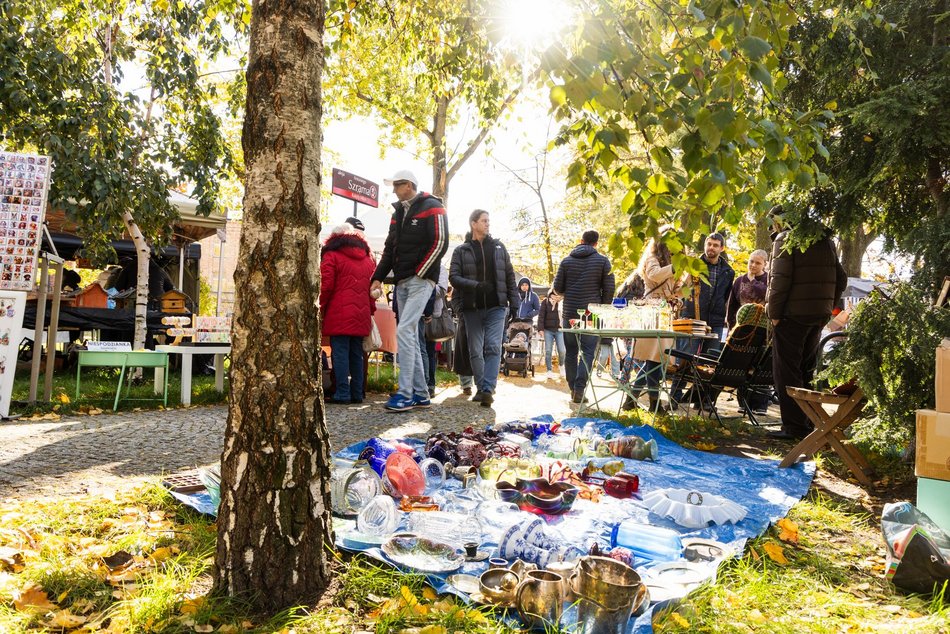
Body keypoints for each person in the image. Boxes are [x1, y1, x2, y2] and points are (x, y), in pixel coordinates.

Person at [766, 205, 847, 440]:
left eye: (774, 222)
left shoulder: (785, 239)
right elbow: (841, 279)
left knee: (786, 372)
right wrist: (827, 307)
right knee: (806, 369)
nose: (773, 227)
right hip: (817, 315)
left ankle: (794, 427)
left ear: (780, 220)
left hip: (791, 315)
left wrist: (774, 314)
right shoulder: (825, 240)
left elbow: (778, 281)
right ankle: (807, 423)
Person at [371, 170, 449, 412]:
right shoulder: (398, 213)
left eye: (397, 185)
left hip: (420, 280)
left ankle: (405, 394)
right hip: (402, 281)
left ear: (408, 185)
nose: (394, 190)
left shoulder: (433, 206)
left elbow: (441, 242)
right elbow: (389, 248)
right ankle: (421, 394)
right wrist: (377, 278)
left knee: (405, 331)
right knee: (411, 335)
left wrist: (421, 273)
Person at [449, 210, 519, 407]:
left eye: (488, 221)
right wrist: (476, 286)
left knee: (493, 346)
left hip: (497, 307)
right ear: (473, 224)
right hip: (472, 308)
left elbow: (510, 276)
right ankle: (481, 387)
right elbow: (453, 277)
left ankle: (488, 389)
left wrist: (514, 303)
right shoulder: (461, 251)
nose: (488, 224)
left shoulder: (499, 248)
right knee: (475, 350)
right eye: (484, 221)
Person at [553, 230, 616, 404]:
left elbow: (558, 288)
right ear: (596, 243)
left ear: (581, 241)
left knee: (571, 351)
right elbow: (610, 287)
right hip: (591, 314)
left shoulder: (566, 261)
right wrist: (602, 307)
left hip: (570, 312)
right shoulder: (603, 261)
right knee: (588, 351)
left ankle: (572, 388)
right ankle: (580, 389)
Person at [624, 233, 683, 411]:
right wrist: (677, 266)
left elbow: (676, 288)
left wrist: (680, 293)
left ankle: (634, 398)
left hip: (665, 311)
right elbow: (655, 275)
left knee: (657, 358)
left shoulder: (673, 261)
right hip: (652, 310)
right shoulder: (652, 258)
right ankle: (653, 404)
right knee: (655, 358)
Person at [320, 223, 376, 404]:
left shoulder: (331, 255)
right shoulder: (368, 258)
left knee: (340, 353)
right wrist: (371, 310)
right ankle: (357, 393)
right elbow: (372, 289)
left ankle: (342, 393)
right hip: (361, 314)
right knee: (357, 354)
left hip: (339, 313)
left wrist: (319, 306)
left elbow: (326, 285)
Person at [727, 249, 769, 330]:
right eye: (751, 261)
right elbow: (732, 306)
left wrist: (753, 281)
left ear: (764, 264)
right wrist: (731, 327)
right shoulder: (739, 280)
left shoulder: (768, 280)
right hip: (740, 325)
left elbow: (765, 293)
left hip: (761, 326)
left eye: (758, 263)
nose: (753, 265)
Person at [537, 291, 565, 379]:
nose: (556, 295)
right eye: (555, 293)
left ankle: (561, 365)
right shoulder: (545, 302)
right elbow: (541, 316)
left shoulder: (563, 302)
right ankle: (549, 370)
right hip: (548, 330)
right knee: (548, 351)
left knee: (562, 351)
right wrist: (540, 329)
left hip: (560, 330)